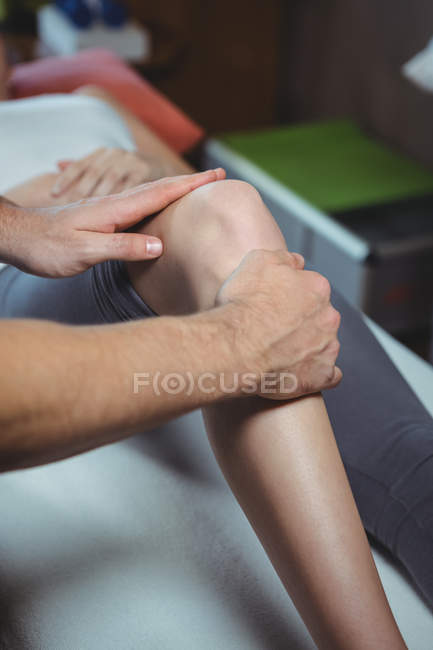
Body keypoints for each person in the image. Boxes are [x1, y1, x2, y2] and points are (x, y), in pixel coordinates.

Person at [0, 50, 428, 648]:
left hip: (162, 231)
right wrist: (29, 225)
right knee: (230, 221)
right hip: (31, 277)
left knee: (417, 463)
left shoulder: (90, 97)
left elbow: (200, 177)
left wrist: (142, 166)